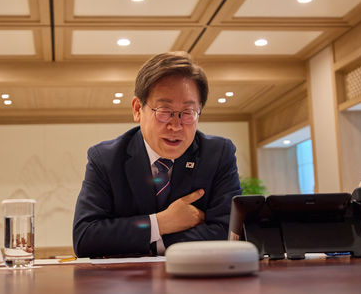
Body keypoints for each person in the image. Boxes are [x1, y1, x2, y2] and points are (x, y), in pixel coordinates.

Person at [72, 51, 241, 257]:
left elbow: (229, 232)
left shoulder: (218, 154)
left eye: (187, 113)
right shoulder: (106, 159)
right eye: (164, 111)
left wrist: (154, 242)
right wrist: (161, 223)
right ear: (137, 109)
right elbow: (86, 237)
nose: (176, 125)